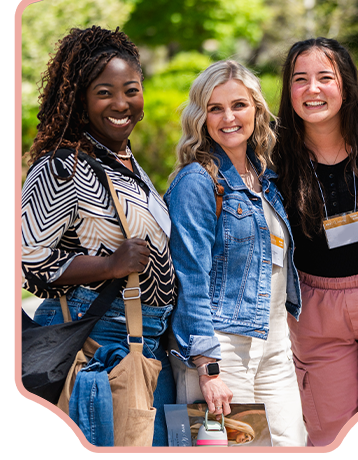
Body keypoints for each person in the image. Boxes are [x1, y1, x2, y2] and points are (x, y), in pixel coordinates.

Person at [21, 26, 176, 446]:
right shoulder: (63, 167)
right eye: (104, 92)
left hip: (144, 340)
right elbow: (28, 262)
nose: (121, 103)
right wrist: (110, 265)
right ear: (80, 99)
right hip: (95, 340)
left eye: (131, 89)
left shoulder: (124, 162)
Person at [164, 60, 306, 447]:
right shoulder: (197, 180)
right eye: (215, 108)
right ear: (201, 117)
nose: (229, 117)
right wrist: (208, 370)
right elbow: (190, 278)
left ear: (256, 109)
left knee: (292, 443)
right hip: (220, 347)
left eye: (239, 105)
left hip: (273, 342)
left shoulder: (266, 177)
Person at [272, 37, 358, 447]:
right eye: (300, 79)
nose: (312, 89)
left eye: (325, 77)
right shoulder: (273, 155)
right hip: (315, 307)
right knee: (331, 435)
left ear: (344, 83)